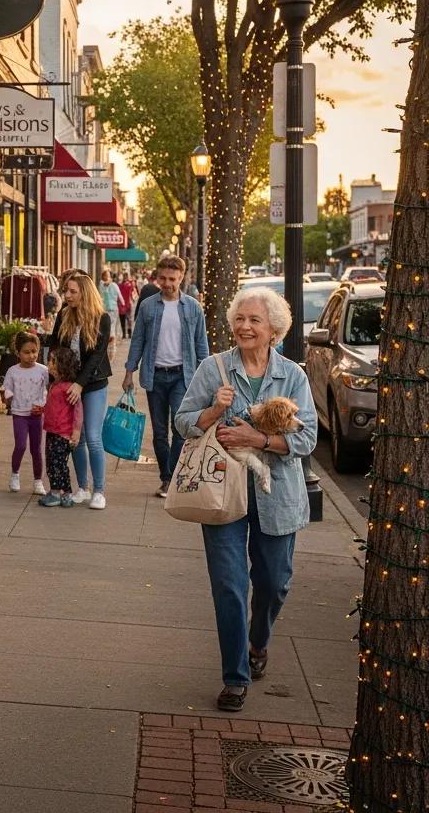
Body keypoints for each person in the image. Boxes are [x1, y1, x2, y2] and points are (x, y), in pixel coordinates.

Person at [174, 287, 316, 712]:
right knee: (230, 587)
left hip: (278, 495)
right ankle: (235, 678)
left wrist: (259, 438)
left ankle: (259, 643)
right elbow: (182, 422)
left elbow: (307, 436)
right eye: (240, 319)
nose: (245, 327)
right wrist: (214, 411)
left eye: (255, 320)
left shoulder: (293, 375)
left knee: (274, 583)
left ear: (274, 329)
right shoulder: (213, 368)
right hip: (222, 492)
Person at [123, 255, 208, 499]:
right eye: (163, 278)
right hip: (156, 377)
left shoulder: (193, 307)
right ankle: (166, 478)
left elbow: (201, 344)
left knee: (180, 429)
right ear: (157, 277)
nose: (167, 283)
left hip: (183, 376)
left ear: (181, 278)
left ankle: (174, 476)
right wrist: (129, 371)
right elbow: (137, 340)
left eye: (172, 279)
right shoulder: (148, 306)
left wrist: (205, 377)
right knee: (159, 432)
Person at [42, 272, 112, 509]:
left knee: (92, 437)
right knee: (76, 439)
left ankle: (99, 490)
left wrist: (79, 384)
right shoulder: (64, 315)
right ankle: (82, 487)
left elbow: (96, 357)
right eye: (66, 291)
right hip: (67, 386)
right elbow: (55, 345)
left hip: (93, 384)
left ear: (85, 292)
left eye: (73, 291)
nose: (67, 295)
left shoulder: (102, 318)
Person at [2, 331, 49, 494]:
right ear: (18, 353)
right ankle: (15, 474)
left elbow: (48, 390)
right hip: (19, 413)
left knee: (36, 448)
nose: (31, 356)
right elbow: (7, 388)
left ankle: (38, 481)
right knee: (21, 445)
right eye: (27, 352)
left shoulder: (43, 371)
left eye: (34, 351)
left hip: (37, 415)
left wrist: (43, 405)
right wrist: (8, 396)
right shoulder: (12, 371)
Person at [39, 345, 83, 508]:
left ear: (62, 365)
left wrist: (76, 432)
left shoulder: (67, 387)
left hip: (62, 434)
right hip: (52, 431)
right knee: (52, 463)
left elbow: (78, 410)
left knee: (58, 464)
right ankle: (59, 491)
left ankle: (62, 493)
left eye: (52, 361)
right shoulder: (54, 385)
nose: (48, 363)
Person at [117, 272, 137, 339]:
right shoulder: (128, 285)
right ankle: (127, 334)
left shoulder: (121, 285)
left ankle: (126, 334)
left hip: (125, 304)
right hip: (125, 304)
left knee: (126, 319)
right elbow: (133, 293)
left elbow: (132, 292)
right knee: (127, 319)